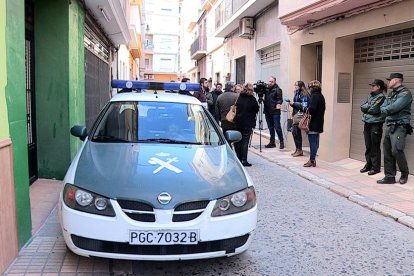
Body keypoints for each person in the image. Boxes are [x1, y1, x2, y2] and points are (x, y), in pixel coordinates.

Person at [377, 73, 413, 185]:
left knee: (396, 150)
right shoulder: (392, 93)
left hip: (400, 126)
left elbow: (393, 108)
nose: (388, 82)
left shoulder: (405, 93)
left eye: (390, 80)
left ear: (396, 80)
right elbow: (383, 106)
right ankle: (389, 176)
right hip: (389, 125)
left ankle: (404, 172)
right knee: (387, 151)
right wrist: (386, 109)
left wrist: (386, 109)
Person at [359, 79, 386, 176]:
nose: (372, 87)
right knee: (368, 145)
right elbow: (362, 106)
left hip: (376, 124)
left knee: (375, 146)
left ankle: (376, 168)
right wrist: (368, 107)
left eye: (373, 86)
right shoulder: (370, 95)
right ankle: (368, 164)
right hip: (367, 123)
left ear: (378, 87)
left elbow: (374, 109)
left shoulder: (381, 97)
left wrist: (368, 107)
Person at [234, 83, 259, 167]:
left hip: (238, 122)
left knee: (238, 141)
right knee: (245, 141)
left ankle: (238, 159)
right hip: (248, 123)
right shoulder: (252, 99)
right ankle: (244, 160)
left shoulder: (239, 97)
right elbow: (257, 109)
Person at [303, 80, 325, 167]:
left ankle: (312, 160)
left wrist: (305, 108)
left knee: (312, 141)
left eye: (310, 87)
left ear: (312, 88)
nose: (309, 89)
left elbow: (312, 109)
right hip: (318, 121)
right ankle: (313, 160)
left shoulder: (315, 96)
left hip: (313, 122)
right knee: (314, 141)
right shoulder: (320, 96)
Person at [286, 81, 310, 157]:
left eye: (297, 85)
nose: (295, 86)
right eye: (295, 85)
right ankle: (298, 149)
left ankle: (299, 150)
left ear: (300, 86)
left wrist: (294, 103)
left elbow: (304, 105)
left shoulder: (304, 94)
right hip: (296, 114)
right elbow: (296, 104)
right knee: (294, 133)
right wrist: (291, 103)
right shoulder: (296, 93)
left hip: (300, 115)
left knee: (296, 132)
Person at [263, 76, 284, 149]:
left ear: (275, 82)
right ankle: (272, 142)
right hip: (267, 111)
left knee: (277, 127)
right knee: (270, 127)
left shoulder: (278, 90)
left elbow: (280, 99)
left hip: (275, 111)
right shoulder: (266, 89)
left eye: (272, 81)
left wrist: (278, 104)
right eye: (269, 81)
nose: (270, 83)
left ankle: (281, 141)